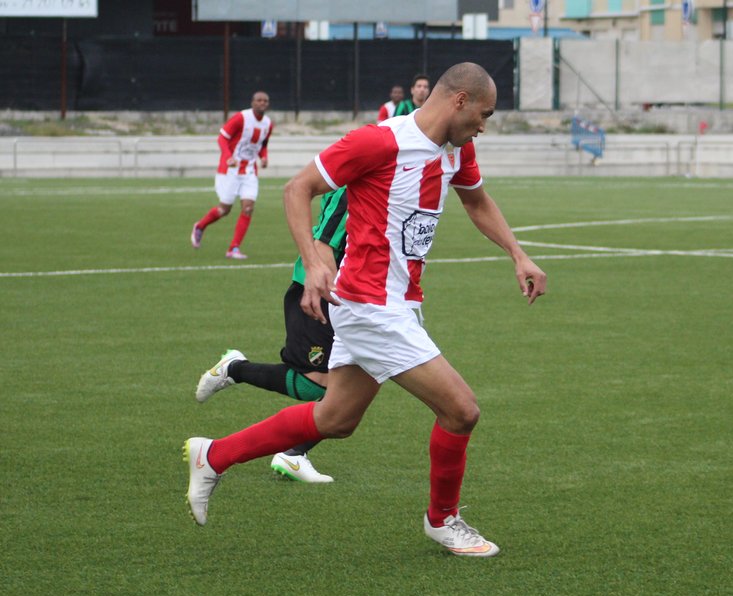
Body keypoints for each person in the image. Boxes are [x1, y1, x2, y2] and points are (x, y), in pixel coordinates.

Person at [183, 62, 547, 558]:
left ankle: (213, 455)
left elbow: (477, 202)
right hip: (370, 307)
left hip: (399, 304)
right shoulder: (380, 141)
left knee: (336, 418)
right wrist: (315, 262)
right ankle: (442, 520)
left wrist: (518, 254)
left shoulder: (457, 149)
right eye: (484, 114)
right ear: (460, 100)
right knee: (461, 411)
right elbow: (297, 188)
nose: (484, 125)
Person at [193, 187, 350, 483]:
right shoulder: (358, 179)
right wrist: (327, 289)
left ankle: (294, 454)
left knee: (356, 381)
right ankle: (234, 369)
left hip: (359, 296)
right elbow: (325, 239)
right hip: (323, 289)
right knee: (313, 385)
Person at [190, 91, 273, 260]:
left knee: (248, 208)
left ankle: (234, 248)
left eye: (265, 101)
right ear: (252, 102)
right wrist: (228, 157)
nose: (262, 103)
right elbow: (222, 138)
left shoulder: (268, 124)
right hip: (230, 170)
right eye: (259, 100)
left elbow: (262, 145)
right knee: (224, 209)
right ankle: (200, 226)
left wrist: (264, 157)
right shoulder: (241, 118)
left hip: (249, 171)